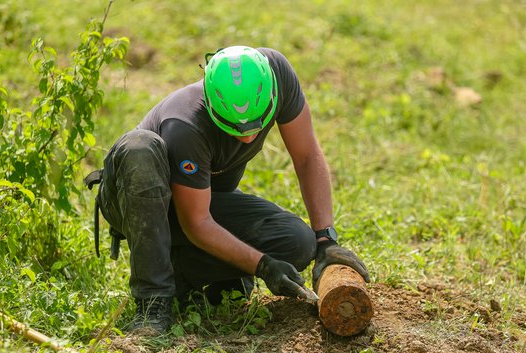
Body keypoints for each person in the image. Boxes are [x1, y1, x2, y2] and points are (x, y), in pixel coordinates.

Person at [95, 46, 370, 335]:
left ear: (271, 94)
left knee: (298, 242)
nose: (249, 135)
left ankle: (181, 272)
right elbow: (196, 222)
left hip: (199, 199)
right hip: (137, 201)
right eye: (234, 128)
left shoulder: (277, 74)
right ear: (212, 105)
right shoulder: (185, 125)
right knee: (140, 147)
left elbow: (307, 155)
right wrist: (262, 265)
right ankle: (152, 301)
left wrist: (325, 239)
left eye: (257, 123)